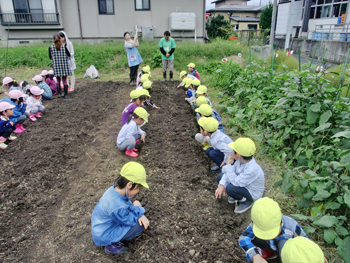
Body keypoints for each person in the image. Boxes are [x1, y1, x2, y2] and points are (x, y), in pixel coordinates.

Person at [91, 161, 149, 255]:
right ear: (129, 185)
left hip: (101, 228)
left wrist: (137, 211)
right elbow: (129, 220)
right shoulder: (117, 206)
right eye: (138, 188)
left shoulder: (114, 190)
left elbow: (125, 208)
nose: (138, 191)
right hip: (104, 235)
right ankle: (111, 245)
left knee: (136, 216)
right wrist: (138, 210)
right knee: (139, 227)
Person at [239, 197, 308, 262]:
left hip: (286, 251)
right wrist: (255, 255)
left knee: (283, 244)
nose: (270, 236)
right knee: (254, 239)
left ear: (281, 216)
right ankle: (269, 253)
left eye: (272, 232)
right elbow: (243, 238)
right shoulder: (257, 223)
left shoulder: (291, 226)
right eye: (264, 233)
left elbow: (307, 244)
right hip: (270, 246)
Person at [215, 138, 264, 213]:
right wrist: (221, 185)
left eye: (233, 150)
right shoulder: (240, 161)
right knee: (220, 177)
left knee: (230, 188)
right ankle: (238, 196)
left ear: (238, 154)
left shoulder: (252, 169)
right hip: (242, 184)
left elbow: (236, 182)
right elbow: (228, 173)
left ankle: (247, 201)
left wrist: (228, 165)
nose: (231, 152)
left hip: (251, 192)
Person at [49, 34, 71, 98]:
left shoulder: (51, 47)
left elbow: (50, 57)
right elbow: (69, 55)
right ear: (60, 39)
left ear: (53, 40)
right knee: (64, 80)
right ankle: (66, 94)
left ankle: (59, 93)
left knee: (58, 80)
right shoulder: (64, 47)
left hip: (56, 66)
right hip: (64, 65)